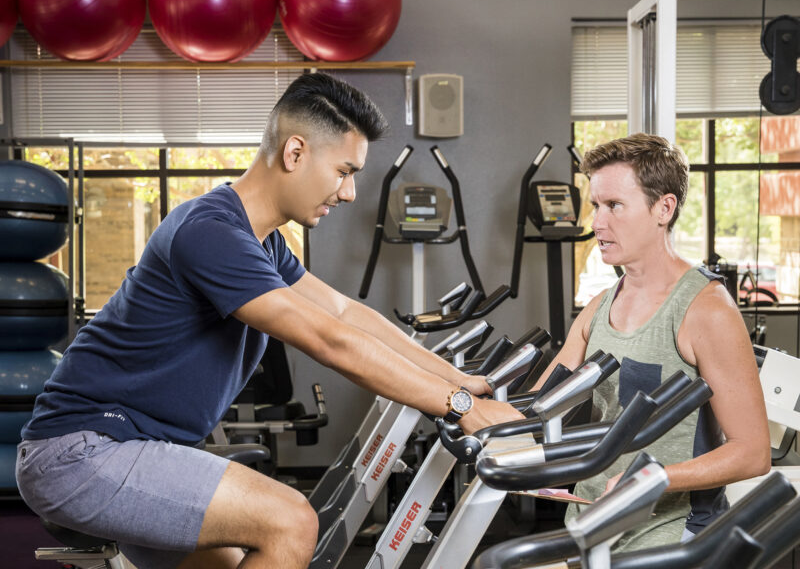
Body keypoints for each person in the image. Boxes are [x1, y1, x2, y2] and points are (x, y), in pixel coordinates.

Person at [15, 73, 522, 569]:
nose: (348, 193)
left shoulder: (263, 243)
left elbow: (344, 312)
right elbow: (329, 339)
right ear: (295, 153)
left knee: (240, 557)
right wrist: (457, 408)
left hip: (134, 450)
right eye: (345, 170)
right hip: (82, 455)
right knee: (289, 522)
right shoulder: (210, 232)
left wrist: (459, 382)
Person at [532, 133, 770, 551]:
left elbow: (752, 452)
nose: (597, 223)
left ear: (664, 208)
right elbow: (540, 404)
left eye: (614, 206)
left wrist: (652, 480)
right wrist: (457, 398)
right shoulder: (600, 306)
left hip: (667, 532)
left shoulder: (706, 310)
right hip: (593, 518)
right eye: (596, 206)